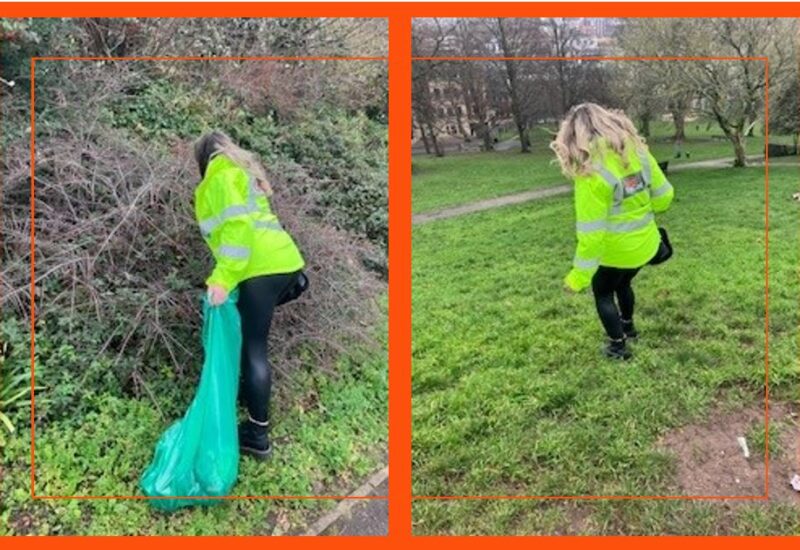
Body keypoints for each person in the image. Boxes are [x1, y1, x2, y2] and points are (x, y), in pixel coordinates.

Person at [194, 131, 306, 459]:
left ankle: (257, 435)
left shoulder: (219, 180)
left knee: (252, 348)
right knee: (249, 339)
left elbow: (238, 230)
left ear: (202, 158)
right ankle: (249, 407)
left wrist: (222, 279)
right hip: (284, 263)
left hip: (258, 269)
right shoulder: (241, 174)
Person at [550, 103, 674, 360]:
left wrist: (577, 278)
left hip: (614, 253)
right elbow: (664, 197)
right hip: (645, 247)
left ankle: (618, 346)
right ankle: (628, 327)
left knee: (603, 291)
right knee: (624, 282)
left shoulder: (590, 172)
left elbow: (591, 235)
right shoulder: (637, 153)